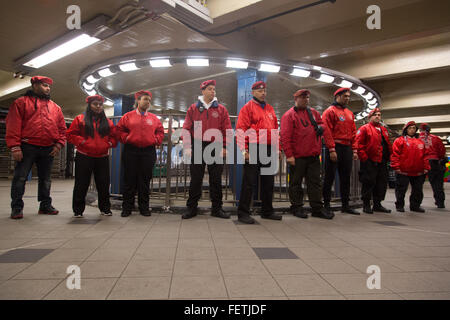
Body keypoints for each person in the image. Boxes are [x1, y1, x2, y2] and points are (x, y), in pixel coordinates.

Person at [6, 76, 66, 220]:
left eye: (49, 86)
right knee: (20, 178)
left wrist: (58, 144)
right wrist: (15, 146)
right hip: (27, 146)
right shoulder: (21, 103)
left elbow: (62, 129)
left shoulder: (55, 107)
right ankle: (17, 207)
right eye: (44, 85)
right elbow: (13, 124)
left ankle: (45, 205)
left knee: (46, 179)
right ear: (35, 85)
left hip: (48, 148)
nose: (48, 88)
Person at [181, 80, 232, 219]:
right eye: (209, 89)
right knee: (196, 179)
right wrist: (187, 147)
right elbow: (186, 128)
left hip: (216, 146)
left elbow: (227, 129)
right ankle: (192, 208)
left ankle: (217, 208)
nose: (212, 91)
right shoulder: (193, 108)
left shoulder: (221, 109)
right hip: (197, 145)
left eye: (214, 89)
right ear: (202, 91)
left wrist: (226, 147)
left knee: (216, 179)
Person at [280, 89, 334, 219]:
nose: (306, 100)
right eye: (303, 97)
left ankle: (317, 208)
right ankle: (297, 207)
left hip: (313, 155)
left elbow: (322, 124)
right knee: (295, 183)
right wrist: (289, 155)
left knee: (315, 183)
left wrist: (322, 128)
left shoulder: (313, 113)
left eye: (307, 98)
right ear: (296, 99)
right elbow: (285, 137)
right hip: (297, 156)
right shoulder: (289, 115)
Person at [236, 81, 282, 224]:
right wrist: (244, 151)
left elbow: (275, 131)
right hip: (253, 148)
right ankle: (243, 213)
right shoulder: (247, 108)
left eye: (264, 91)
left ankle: (267, 211)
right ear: (253, 92)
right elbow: (240, 130)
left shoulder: (270, 109)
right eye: (260, 91)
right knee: (249, 182)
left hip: (268, 149)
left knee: (268, 182)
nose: (263, 93)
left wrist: (277, 149)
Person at [67, 95, 117, 218]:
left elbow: (115, 137)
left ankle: (105, 208)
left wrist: (108, 144)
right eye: (95, 104)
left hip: (102, 156)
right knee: (81, 183)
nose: (98, 106)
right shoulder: (80, 119)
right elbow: (71, 134)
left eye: (100, 104)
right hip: (84, 155)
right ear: (89, 105)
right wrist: (83, 142)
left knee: (104, 184)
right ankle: (78, 210)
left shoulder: (108, 122)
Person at [116, 90, 164, 217]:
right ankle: (127, 208)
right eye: (145, 99)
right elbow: (119, 130)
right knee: (129, 180)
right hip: (131, 150)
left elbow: (160, 132)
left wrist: (156, 140)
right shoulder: (127, 116)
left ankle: (144, 207)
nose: (147, 102)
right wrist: (126, 138)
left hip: (148, 152)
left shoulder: (154, 118)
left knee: (145, 180)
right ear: (138, 100)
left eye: (149, 100)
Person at [322, 87, 360, 215]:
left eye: (349, 96)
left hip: (347, 148)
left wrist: (354, 150)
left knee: (345, 178)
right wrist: (332, 149)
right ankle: (326, 205)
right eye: (345, 96)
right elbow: (327, 131)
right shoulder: (329, 111)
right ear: (337, 96)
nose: (347, 98)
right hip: (335, 147)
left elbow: (354, 133)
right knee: (329, 177)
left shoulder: (349, 113)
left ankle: (345, 205)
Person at [356, 108, 392, 214]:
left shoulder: (383, 130)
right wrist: (364, 158)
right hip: (369, 161)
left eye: (379, 115)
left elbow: (387, 144)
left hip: (382, 161)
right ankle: (366, 205)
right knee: (368, 182)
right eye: (375, 114)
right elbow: (359, 144)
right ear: (370, 117)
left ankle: (377, 204)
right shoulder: (364, 128)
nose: (377, 116)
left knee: (381, 183)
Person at [391, 121, 430, 212]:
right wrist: (396, 167)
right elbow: (395, 155)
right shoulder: (399, 141)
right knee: (401, 190)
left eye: (414, 128)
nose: (412, 130)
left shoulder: (420, 142)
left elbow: (425, 156)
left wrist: (426, 167)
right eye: (410, 128)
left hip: (418, 171)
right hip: (403, 170)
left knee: (417, 190)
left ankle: (415, 206)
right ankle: (400, 205)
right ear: (405, 129)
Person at [419, 123, 447, 209]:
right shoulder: (436, 138)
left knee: (418, 184)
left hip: (421, 162)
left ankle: (416, 203)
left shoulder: (417, 139)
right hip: (434, 162)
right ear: (429, 129)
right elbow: (442, 151)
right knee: (437, 184)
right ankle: (440, 203)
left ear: (420, 130)